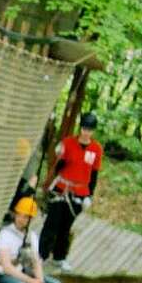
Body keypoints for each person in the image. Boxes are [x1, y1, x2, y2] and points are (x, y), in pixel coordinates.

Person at [41, 112, 103, 273]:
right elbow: (57, 167)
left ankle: (59, 258)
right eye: (84, 128)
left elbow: (94, 174)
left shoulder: (96, 149)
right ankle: (41, 255)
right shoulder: (68, 143)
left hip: (80, 191)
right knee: (51, 224)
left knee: (66, 226)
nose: (86, 132)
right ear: (80, 127)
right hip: (62, 188)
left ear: (93, 131)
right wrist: (60, 158)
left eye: (89, 129)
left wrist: (90, 195)